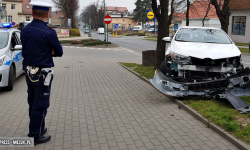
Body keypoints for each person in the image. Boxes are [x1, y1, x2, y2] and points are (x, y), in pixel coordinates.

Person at [21, 1, 63, 145]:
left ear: (32, 13)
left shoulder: (25, 30)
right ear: (47, 15)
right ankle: (34, 136)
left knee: (33, 101)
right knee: (41, 103)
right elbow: (59, 52)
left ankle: (40, 128)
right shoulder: (49, 32)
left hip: (28, 71)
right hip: (42, 73)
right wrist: (49, 51)